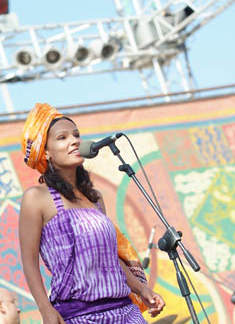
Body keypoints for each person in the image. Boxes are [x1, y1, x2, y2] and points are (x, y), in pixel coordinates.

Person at [19, 103, 165, 324]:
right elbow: (29, 261)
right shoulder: (36, 198)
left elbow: (111, 260)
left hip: (125, 312)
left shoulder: (95, 198)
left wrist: (142, 289)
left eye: (76, 135)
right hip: (80, 316)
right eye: (62, 137)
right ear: (45, 151)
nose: (75, 141)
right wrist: (45, 309)